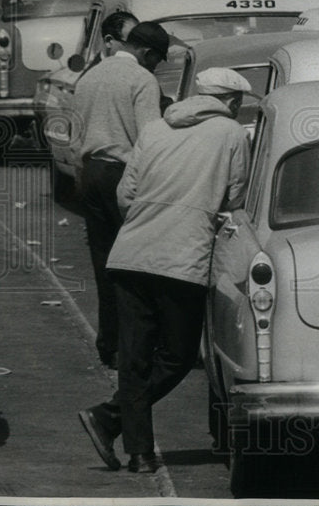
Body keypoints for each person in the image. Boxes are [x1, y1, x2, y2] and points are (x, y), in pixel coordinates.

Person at [79, 67, 251, 474]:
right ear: (233, 102)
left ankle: (136, 451)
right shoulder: (232, 135)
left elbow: (126, 194)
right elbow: (236, 198)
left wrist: (148, 221)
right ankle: (108, 418)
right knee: (177, 357)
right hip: (182, 259)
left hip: (132, 254)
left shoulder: (155, 129)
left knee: (134, 358)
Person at [71, 21, 170, 369]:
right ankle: (139, 345)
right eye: (158, 59)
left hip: (90, 173)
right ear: (146, 52)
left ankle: (109, 344)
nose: (157, 66)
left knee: (104, 264)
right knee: (136, 263)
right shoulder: (142, 80)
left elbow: (75, 134)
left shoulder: (89, 77)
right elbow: (149, 138)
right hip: (122, 174)